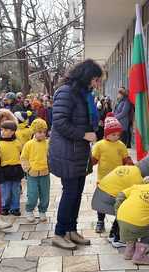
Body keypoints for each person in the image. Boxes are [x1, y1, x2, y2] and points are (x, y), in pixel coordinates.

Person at [49, 59, 103, 250]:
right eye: (96, 80)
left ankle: (71, 229)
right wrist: (83, 134)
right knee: (70, 193)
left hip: (78, 152)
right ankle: (59, 233)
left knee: (77, 193)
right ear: (86, 76)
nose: (97, 84)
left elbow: (81, 119)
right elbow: (60, 122)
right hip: (67, 152)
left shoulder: (83, 94)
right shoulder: (67, 92)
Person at [92, 155, 149, 248]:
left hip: (99, 193)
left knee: (122, 204)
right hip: (107, 198)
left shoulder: (128, 168)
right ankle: (119, 238)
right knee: (128, 209)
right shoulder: (138, 179)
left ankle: (113, 235)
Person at [91, 113, 133, 233]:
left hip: (118, 179)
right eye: (113, 134)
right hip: (103, 179)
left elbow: (126, 159)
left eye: (118, 134)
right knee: (102, 201)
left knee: (118, 200)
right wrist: (87, 166)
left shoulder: (121, 146)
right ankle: (100, 221)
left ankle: (117, 223)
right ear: (106, 134)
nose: (116, 137)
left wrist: (131, 166)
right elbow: (94, 159)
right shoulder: (99, 145)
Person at [21, 118, 50, 223]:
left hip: (45, 173)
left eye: (44, 132)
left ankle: (43, 211)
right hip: (32, 174)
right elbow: (23, 158)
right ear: (34, 132)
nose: (42, 134)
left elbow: (50, 156)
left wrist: (50, 166)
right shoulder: (29, 144)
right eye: (39, 132)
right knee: (32, 194)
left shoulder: (47, 143)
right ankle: (29, 210)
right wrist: (28, 169)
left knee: (45, 194)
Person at [0, 120, 24, 217]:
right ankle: (4, 207)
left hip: (16, 169)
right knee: (5, 190)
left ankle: (15, 208)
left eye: (6, 130)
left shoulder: (17, 142)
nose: (3, 132)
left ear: (12, 132)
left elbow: (22, 153)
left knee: (15, 190)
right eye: (2, 130)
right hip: (4, 170)